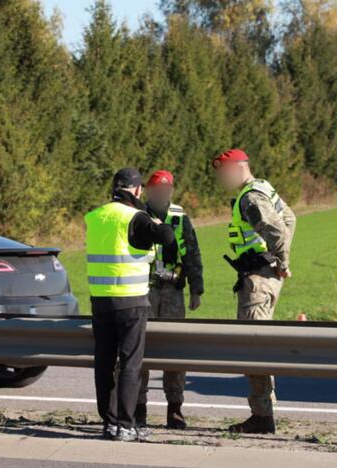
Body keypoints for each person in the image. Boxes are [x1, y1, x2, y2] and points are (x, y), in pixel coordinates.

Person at [85, 168, 176, 442]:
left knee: (103, 362)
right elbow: (167, 237)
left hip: (100, 300)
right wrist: (158, 222)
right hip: (131, 302)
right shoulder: (135, 217)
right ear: (137, 191)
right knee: (130, 364)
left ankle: (110, 423)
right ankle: (127, 425)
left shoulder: (96, 216)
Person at [212, 149, 296, 434]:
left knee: (253, 345)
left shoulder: (251, 197)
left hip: (257, 280)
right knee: (257, 344)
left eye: (223, 171)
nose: (221, 178)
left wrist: (280, 263)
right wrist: (278, 265)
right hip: (263, 277)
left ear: (238, 168)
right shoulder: (263, 187)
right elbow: (291, 219)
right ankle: (263, 413)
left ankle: (262, 416)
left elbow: (278, 232)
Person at [135, 170, 204, 430]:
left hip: (173, 291)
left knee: (174, 352)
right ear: (149, 190)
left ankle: (175, 409)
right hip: (145, 290)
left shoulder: (179, 216)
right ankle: (138, 407)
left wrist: (196, 290)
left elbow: (193, 253)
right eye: (157, 189)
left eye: (167, 189)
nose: (162, 193)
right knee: (140, 350)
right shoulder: (138, 215)